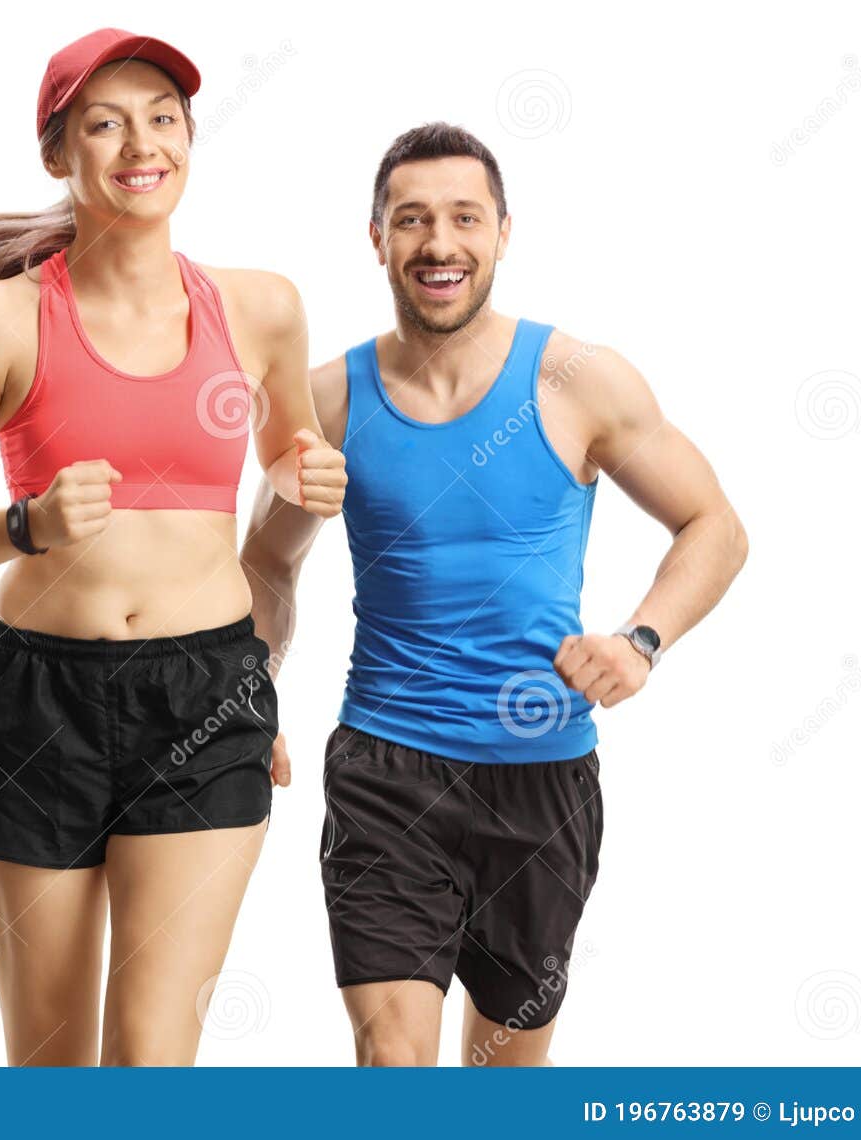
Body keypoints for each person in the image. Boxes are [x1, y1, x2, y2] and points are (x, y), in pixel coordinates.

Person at [0, 28, 346, 1066]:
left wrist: (300, 467)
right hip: (37, 700)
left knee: (149, 1058)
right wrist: (25, 524)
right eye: (103, 122)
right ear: (57, 154)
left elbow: (280, 453)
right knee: (49, 1064)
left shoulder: (260, 306)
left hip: (205, 690)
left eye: (162, 117)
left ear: (188, 136)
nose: (141, 143)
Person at [241, 122, 748, 1065]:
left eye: (465, 217)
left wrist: (641, 640)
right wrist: (253, 687)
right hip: (385, 768)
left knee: (503, 1085)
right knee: (393, 1061)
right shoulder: (328, 400)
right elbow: (268, 562)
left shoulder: (578, 379)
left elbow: (715, 524)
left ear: (503, 232)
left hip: (543, 774)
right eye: (414, 219)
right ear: (378, 237)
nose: (440, 243)